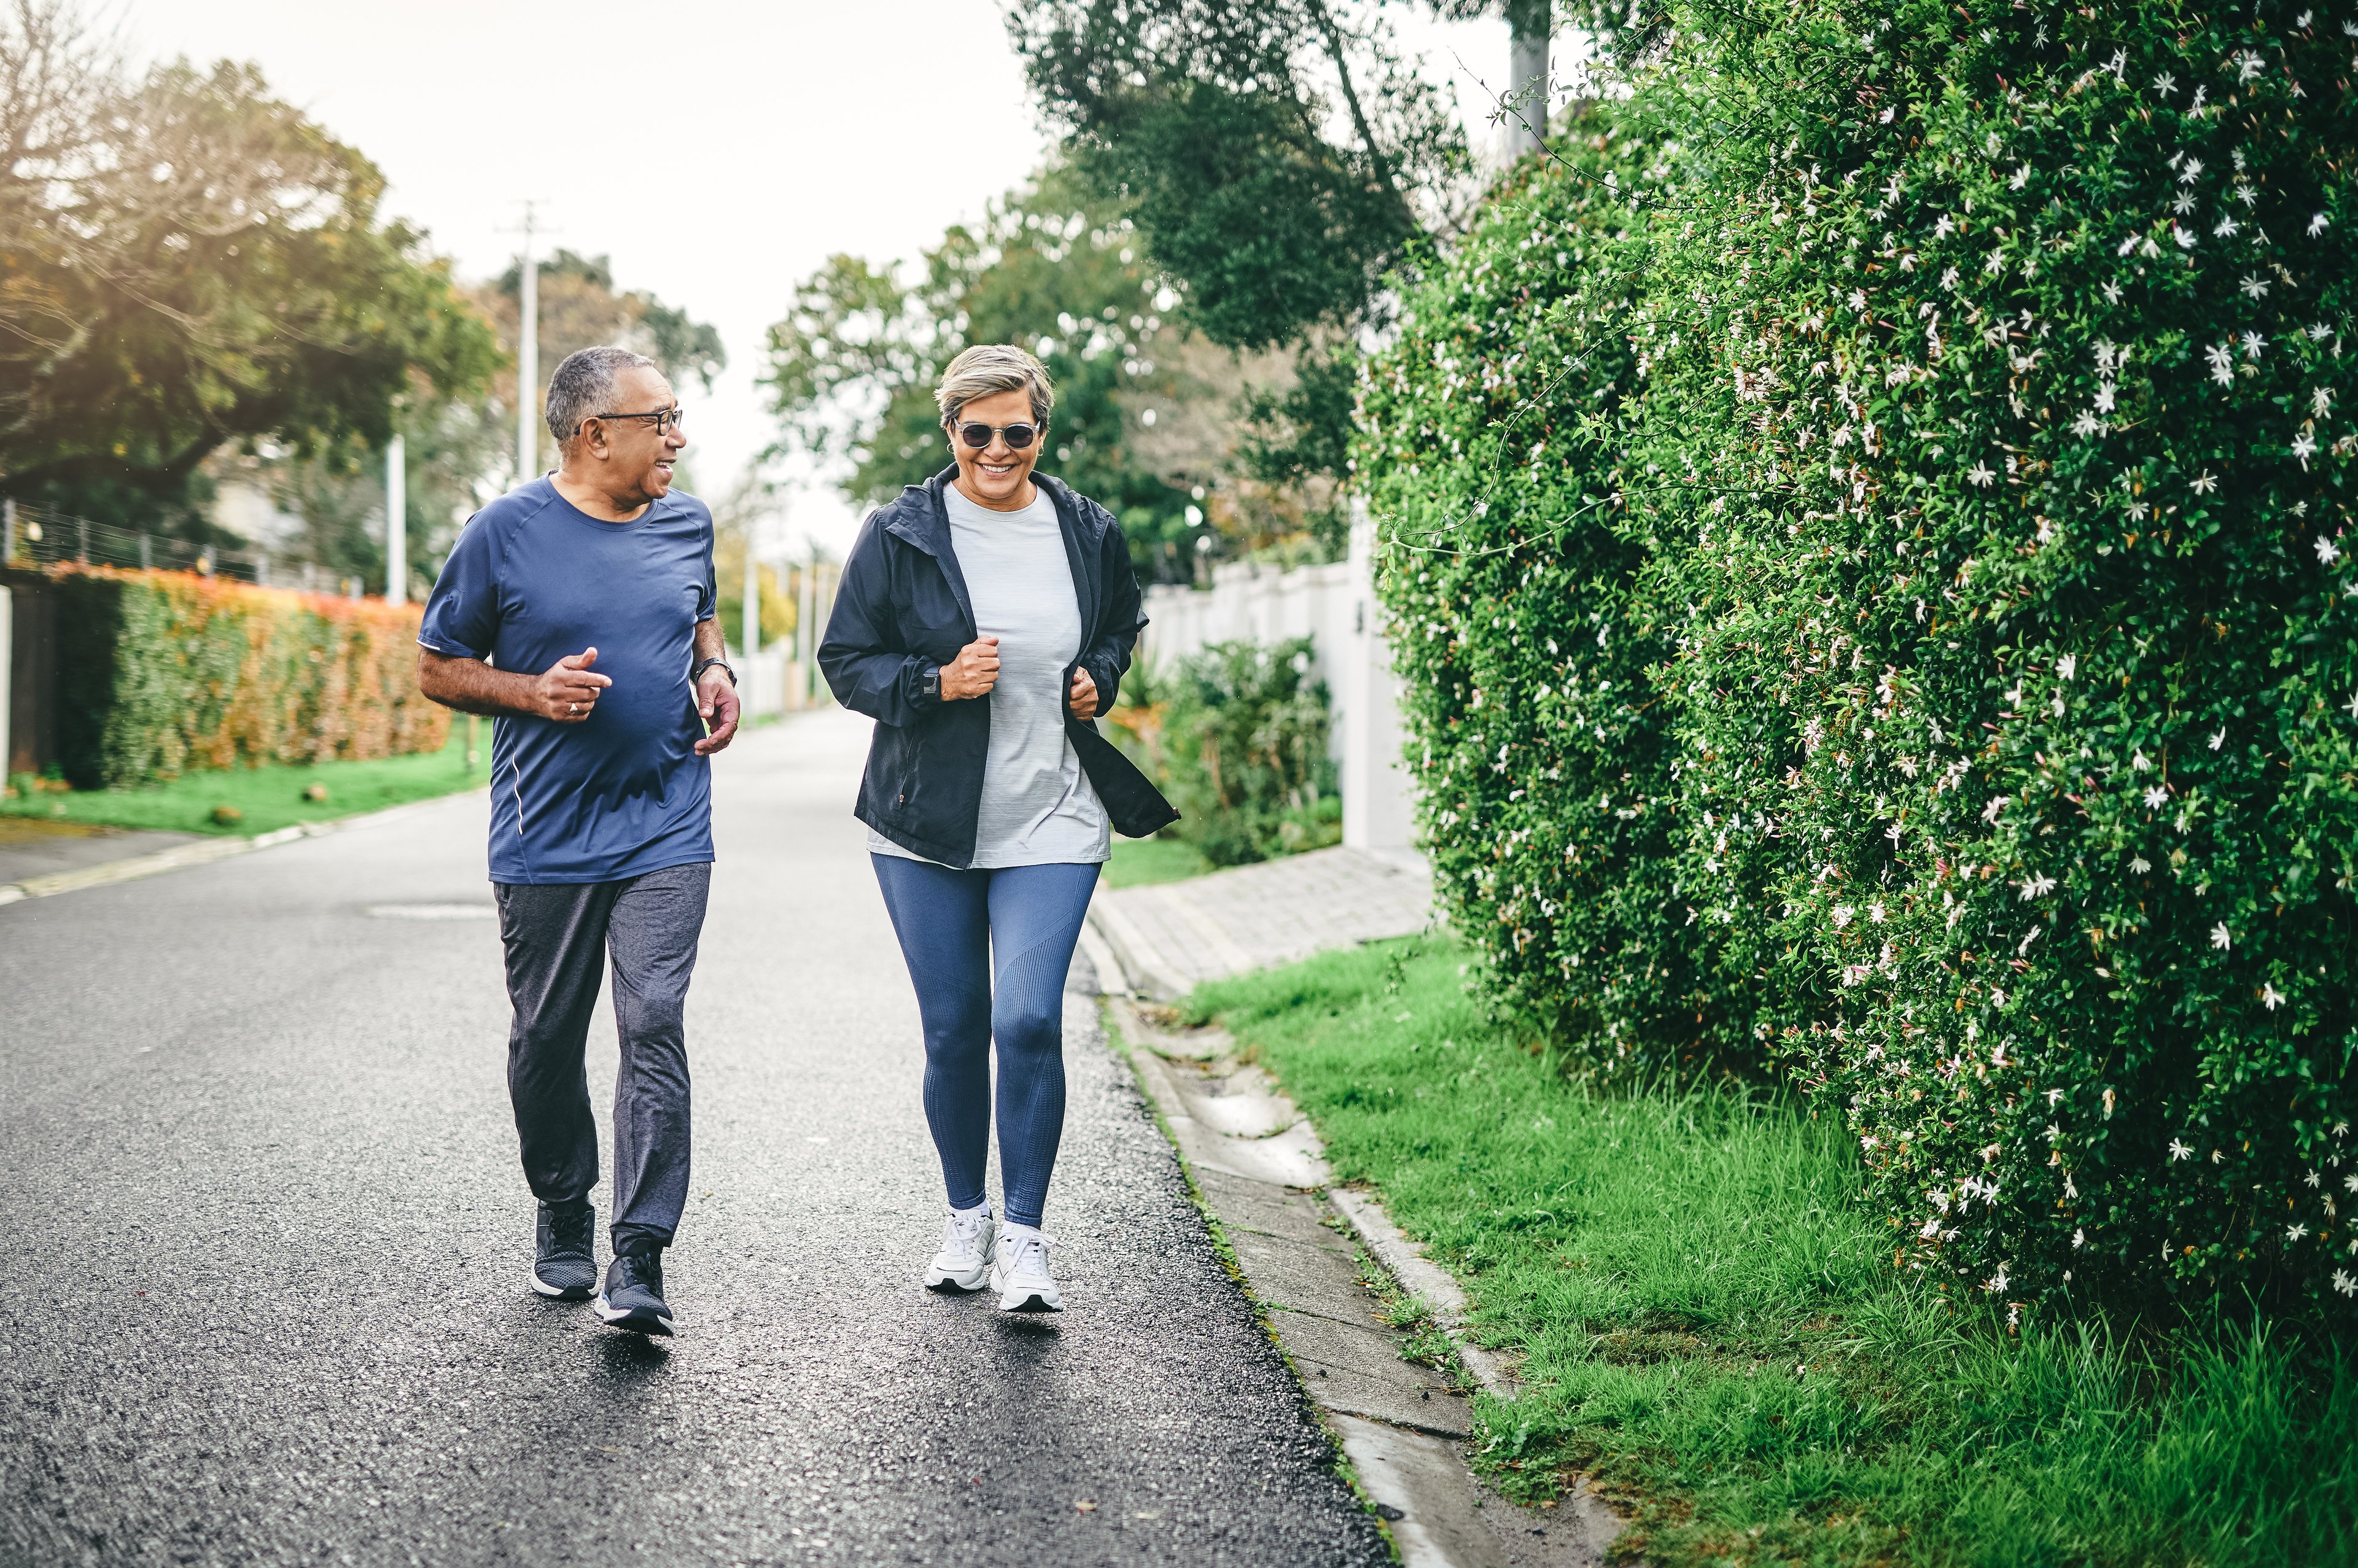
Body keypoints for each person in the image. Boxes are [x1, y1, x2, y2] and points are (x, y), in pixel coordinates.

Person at [820, 343, 1178, 1313]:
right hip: (923, 822)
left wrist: (1102, 673)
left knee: (1026, 1018)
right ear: (950, 432)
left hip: (1054, 811)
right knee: (954, 1028)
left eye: (1016, 432)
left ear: (1041, 432)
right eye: (976, 432)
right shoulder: (899, 533)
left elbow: (1119, 623)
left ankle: (1025, 1236)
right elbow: (846, 659)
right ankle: (964, 1216)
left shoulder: (1086, 527)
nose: (996, 449)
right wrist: (936, 682)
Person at [414, 344, 739, 1337]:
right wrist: (530, 692)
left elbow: (703, 615)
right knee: (547, 1038)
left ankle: (639, 1254)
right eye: (662, 420)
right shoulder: (504, 533)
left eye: (679, 417)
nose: (679, 437)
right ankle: (563, 1196)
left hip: (667, 820)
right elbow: (438, 666)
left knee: (654, 1020)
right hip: (544, 830)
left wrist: (717, 671)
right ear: (596, 434)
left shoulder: (688, 519)